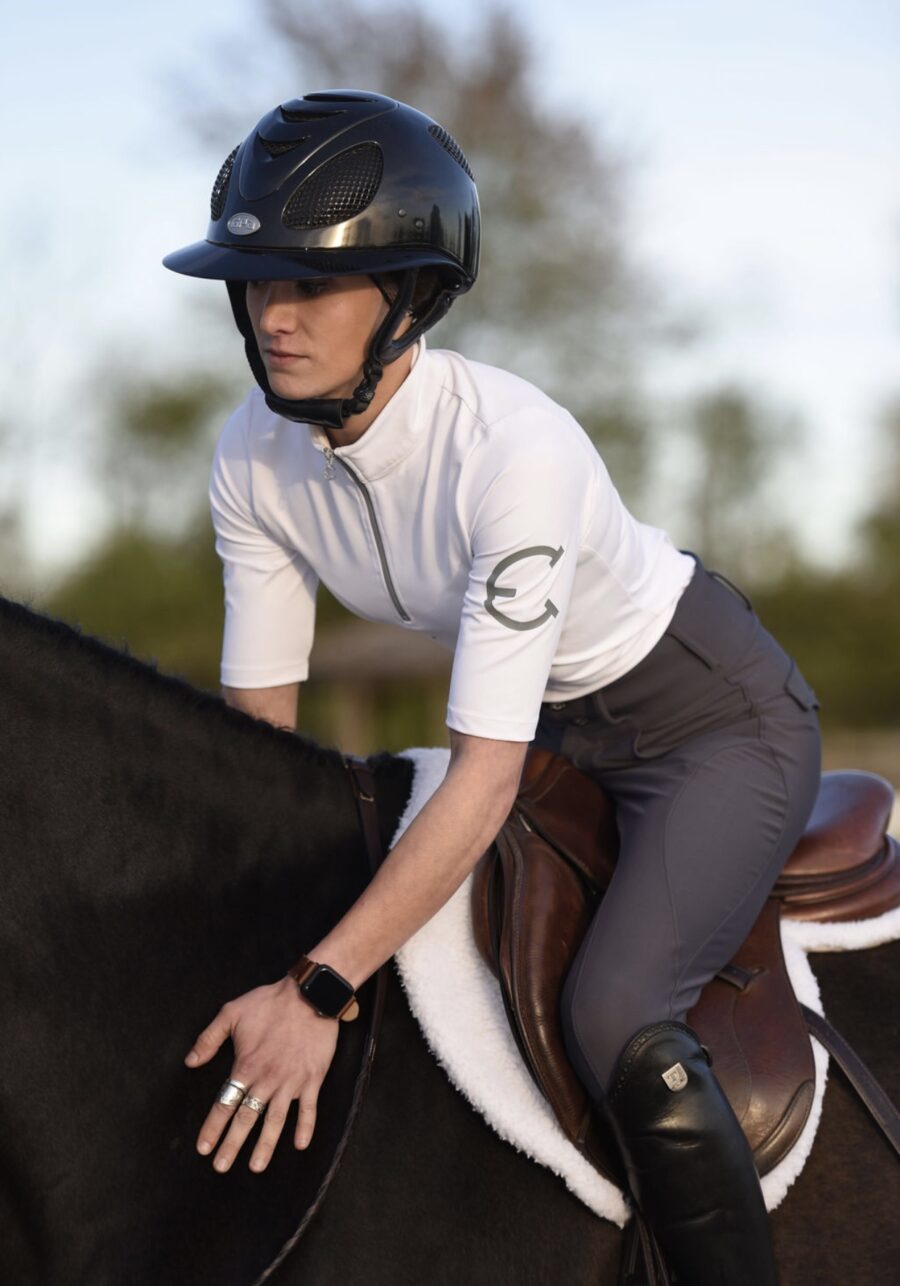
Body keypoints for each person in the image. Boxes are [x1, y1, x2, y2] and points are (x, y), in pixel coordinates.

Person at [164, 90, 820, 1283]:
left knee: (612, 1008)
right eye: (256, 283)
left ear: (409, 299)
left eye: (308, 286)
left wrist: (316, 987)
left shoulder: (517, 450)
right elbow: (255, 744)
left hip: (709, 722)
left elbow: (483, 773)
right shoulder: (249, 453)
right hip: (556, 723)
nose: (273, 317)